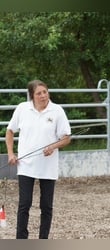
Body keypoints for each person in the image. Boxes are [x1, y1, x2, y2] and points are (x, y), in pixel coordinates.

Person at [5, 79, 71, 239]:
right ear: (32, 96)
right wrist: (10, 153)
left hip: (48, 166)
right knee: (24, 204)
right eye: (39, 93)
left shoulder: (57, 111)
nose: (43, 96)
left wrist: (53, 147)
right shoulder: (22, 109)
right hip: (26, 165)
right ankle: (21, 240)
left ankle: (43, 240)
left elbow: (66, 137)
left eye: (45, 92)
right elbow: (9, 131)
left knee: (46, 206)